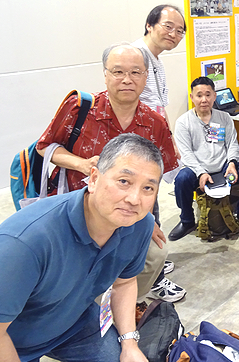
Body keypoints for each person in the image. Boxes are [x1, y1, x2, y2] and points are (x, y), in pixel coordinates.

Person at [0, 134, 163, 362]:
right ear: (94, 179)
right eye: (124, 181)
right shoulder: (24, 242)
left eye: (148, 188)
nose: (134, 199)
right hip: (10, 339)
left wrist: (129, 343)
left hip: (74, 322)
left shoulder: (139, 224)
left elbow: (124, 282)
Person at [36, 43, 185, 303]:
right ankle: (81, 312)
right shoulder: (80, 109)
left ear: (146, 77)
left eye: (135, 72)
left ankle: (126, 306)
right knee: (75, 276)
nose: (127, 80)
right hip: (79, 212)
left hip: (130, 213)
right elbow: (45, 146)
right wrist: (81, 164)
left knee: (154, 257)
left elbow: (157, 176)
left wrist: (147, 219)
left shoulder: (155, 123)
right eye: (118, 72)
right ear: (105, 74)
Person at [169, 77, 239, 242]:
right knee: (182, 178)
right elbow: (186, 154)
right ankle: (187, 220)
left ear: (214, 96)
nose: (204, 99)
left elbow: (232, 144)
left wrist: (232, 164)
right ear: (192, 97)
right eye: (199, 95)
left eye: (208, 95)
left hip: (223, 168)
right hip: (198, 170)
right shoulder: (183, 122)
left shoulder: (224, 118)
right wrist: (201, 173)